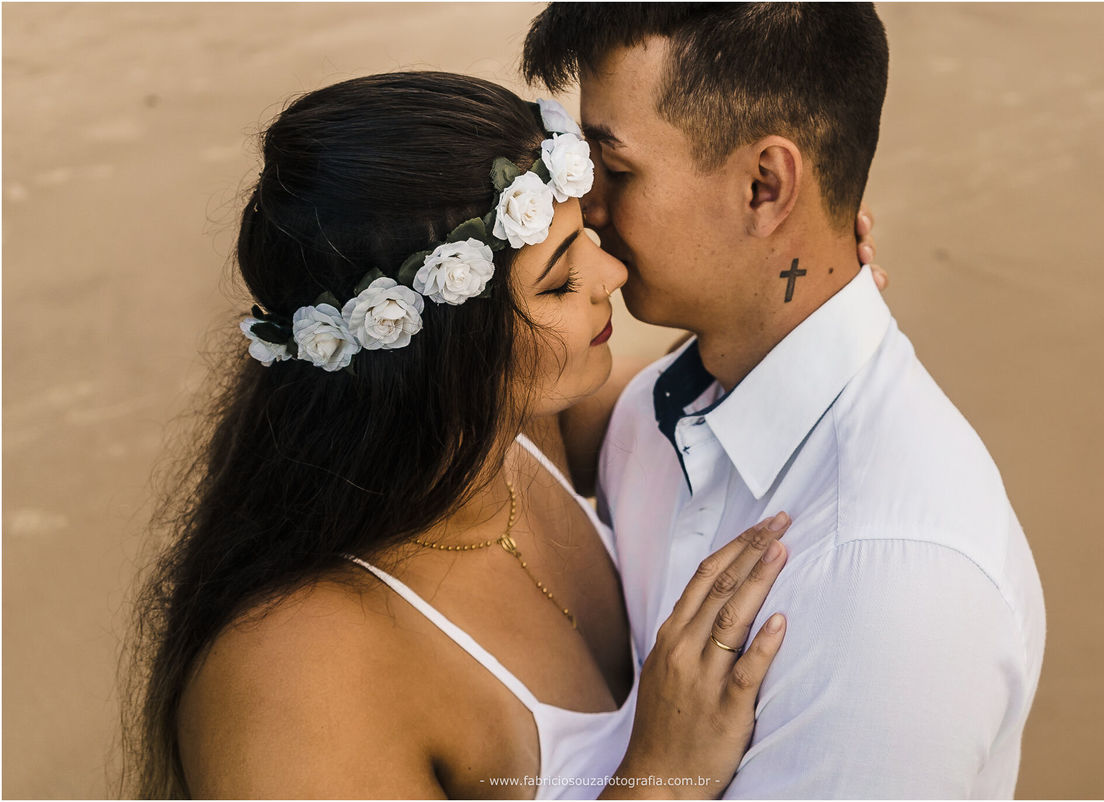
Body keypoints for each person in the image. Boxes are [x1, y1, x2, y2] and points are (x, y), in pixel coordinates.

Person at [126, 71, 890, 799]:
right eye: (559, 281)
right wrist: (658, 774)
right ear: (440, 354)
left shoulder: (519, 430)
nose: (613, 276)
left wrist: (790, 296)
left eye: (585, 234)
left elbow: (694, 389)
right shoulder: (293, 679)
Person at [522, 3, 1047, 798]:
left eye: (617, 171)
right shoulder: (656, 408)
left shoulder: (893, 591)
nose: (587, 209)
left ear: (765, 186)